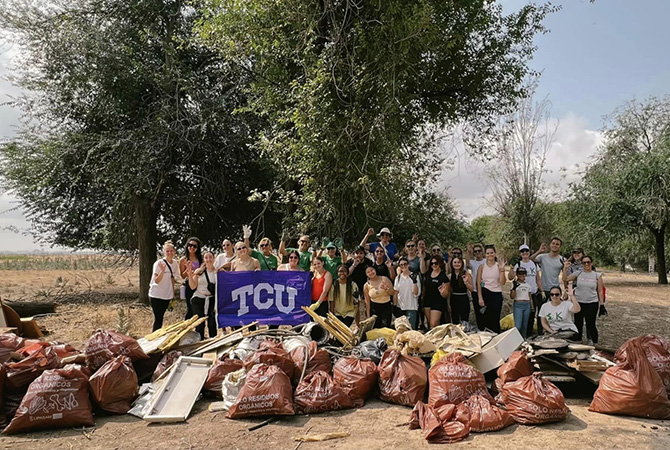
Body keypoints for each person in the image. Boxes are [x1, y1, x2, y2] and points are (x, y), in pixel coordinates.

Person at [565, 255, 604, 344]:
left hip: (592, 303)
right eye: (584, 262)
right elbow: (565, 279)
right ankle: (578, 339)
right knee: (578, 323)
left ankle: (593, 341)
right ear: (582, 264)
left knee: (591, 324)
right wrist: (565, 268)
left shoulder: (597, 275)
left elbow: (600, 291)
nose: (586, 264)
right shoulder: (578, 273)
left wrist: (602, 304)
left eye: (588, 262)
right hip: (579, 302)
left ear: (592, 263)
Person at [531, 237, 566, 335]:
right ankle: (540, 333)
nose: (554, 245)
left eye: (557, 244)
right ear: (550, 245)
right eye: (553, 243)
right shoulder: (542, 257)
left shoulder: (562, 259)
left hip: (555, 290)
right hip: (542, 288)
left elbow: (566, 275)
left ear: (560, 247)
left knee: (554, 312)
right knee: (541, 313)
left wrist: (566, 290)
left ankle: (553, 332)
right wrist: (539, 251)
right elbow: (530, 260)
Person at [508, 244, 542, 335]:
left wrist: (541, 290)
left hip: (532, 293)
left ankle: (527, 337)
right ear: (520, 253)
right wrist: (512, 267)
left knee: (530, 318)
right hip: (519, 295)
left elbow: (538, 278)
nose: (525, 253)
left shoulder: (534, 264)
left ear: (529, 252)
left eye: (526, 250)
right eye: (522, 251)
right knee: (519, 323)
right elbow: (510, 277)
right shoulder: (518, 264)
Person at [148, 240, 180, 331]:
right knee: (158, 318)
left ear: (174, 251)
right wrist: (162, 271)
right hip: (156, 294)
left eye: (171, 251)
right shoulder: (158, 263)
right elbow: (156, 281)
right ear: (164, 252)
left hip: (167, 295)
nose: (169, 253)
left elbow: (173, 278)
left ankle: (157, 335)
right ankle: (154, 338)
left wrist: (173, 294)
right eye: (167, 251)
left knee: (161, 317)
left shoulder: (174, 263)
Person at [186, 250, 218, 339]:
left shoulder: (217, 272)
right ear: (204, 260)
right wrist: (190, 275)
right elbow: (193, 287)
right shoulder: (199, 272)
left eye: (210, 257)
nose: (208, 259)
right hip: (199, 298)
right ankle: (199, 342)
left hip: (211, 299)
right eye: (206, 257)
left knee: (212, 323)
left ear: (214, 258)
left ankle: (213, 341)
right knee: (200, 323)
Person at [476, 245, 507, 333]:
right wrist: (480, 297)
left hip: (496, 294)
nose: (490, 255)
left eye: (491, 253)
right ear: (485, 254)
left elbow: (502, 282)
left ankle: (495, 335)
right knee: (485, 317)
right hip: (485, 292)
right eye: (488, 253)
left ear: (495, 253)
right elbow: (478, 283)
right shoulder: (481, 267)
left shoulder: (498, 266)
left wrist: (502, 271)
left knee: (495, 318)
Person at [423, 254, 450, 329]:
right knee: (429, 325)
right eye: (432, 263)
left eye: (436, 263)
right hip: (427, 301)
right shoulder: (428, 274)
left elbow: (446, 294)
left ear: (440, 263)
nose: (434, 265)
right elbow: (424, 287)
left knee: (433, 323)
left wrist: (443, 292)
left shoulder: (443, 277)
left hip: (438, 301)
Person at [179, 237, 203, 320]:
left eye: (194, 246)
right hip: (189, 285)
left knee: (198, 308)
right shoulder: (183, 260)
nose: (192, 248)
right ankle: (187, 329)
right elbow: (182, 275)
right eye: (190, 245)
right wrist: (188, 269)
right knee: (190, 308)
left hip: (199, 285)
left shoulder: (201, 258)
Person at [394, 257, 421, 329]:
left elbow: (416, 293)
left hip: (411, 306)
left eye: (405, 264)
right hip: (401, 307)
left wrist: (414, 282)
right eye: (401, 265)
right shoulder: (398, 278)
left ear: (408, 265)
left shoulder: (415, 276)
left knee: (411, 330)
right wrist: (394, 305)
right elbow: (396, 292)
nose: (403, 266)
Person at [466, 243, 487, 330]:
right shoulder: (473, 262)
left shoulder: (486, 261)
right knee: (478, 312)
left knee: (488, 311)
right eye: (475, 251)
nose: (477, 253)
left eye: (479, 251)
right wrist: (468, 251)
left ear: (482, 252)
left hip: (487, 289)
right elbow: (467, 264)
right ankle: (481, 330)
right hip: (475, 290)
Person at [448, 256, 473, 326]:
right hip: (454, 299)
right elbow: (449, 290)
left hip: (463, 298)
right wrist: (448, 304)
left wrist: (466, 283)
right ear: (452, 264)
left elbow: (471, 288)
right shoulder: (450, 276)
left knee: (464, 321)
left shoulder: (466, 274)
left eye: (458, 262)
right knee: (455, 321)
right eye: (455, 262)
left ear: (462, 263)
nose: (457, 264)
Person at [510, 267, 533, 338]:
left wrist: (532, 307)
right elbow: (512, 297)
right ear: (517, 274)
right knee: (518, 326)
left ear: (525, 274)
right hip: (518, 305)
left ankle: (523, 339)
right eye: (520, 274)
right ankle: (514, 339)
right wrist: (514, 288)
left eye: (523, 274)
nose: (521, 275)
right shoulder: (514, 284)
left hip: (527, 305)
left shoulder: (528, 285)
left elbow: (530, 297)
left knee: (524, 325)